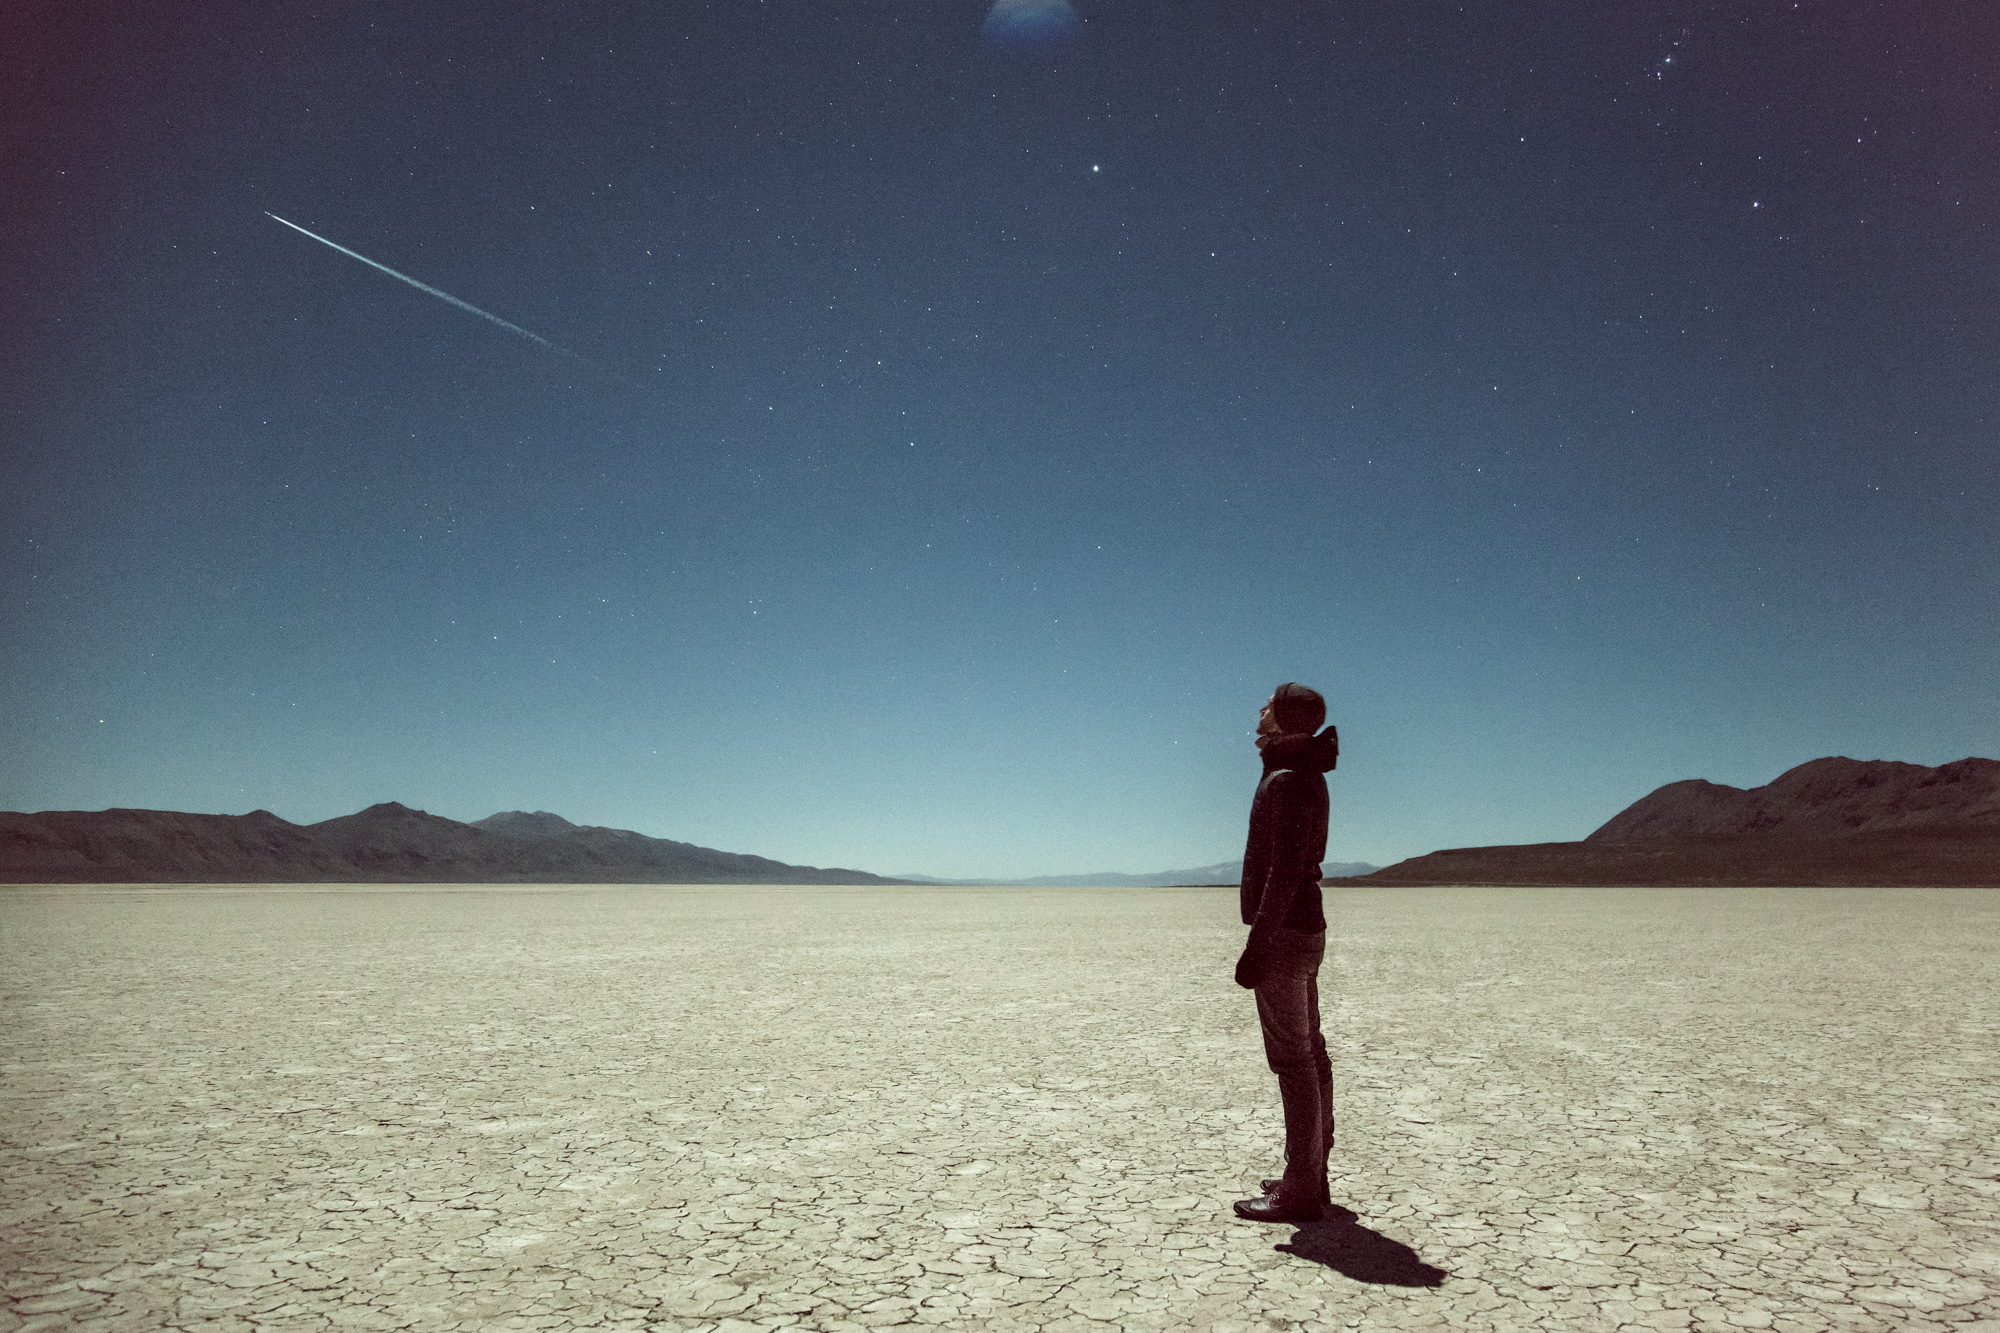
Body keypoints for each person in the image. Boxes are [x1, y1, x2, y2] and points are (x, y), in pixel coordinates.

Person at [1231, 682, 1339, 1224]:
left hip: (1286, 935)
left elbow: (1285, 871)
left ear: (1286, 719)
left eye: (1268, 706)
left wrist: (1258, 944)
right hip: (1302, 931)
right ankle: (1310, 1175)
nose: (1260, 712)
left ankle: (1301, 1188)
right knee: (1309, 1052)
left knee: (1293, 1059)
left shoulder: (1291, 779)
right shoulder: (1297, 773)